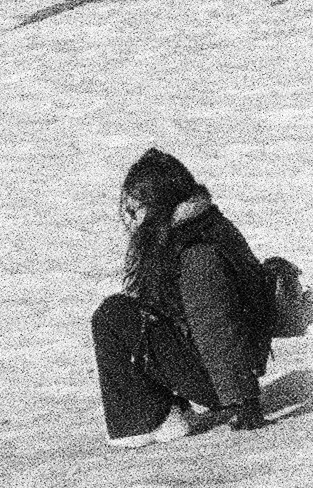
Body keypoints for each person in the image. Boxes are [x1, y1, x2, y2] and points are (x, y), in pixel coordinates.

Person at [92, 148, 275, 445]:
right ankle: (166, 409)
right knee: (129, 311)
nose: (132, 220)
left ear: (159, 204)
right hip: (221, 368)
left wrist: (244, 403)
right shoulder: (199, 225)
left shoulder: (196, 252)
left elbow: (216, 328)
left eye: (136, 210)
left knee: (112, 317)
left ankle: (149, 421)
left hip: (221, 377)